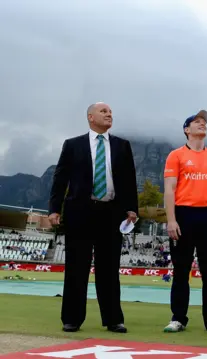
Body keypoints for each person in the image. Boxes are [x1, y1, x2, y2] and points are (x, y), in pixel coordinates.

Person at [48, 102, 138, 333]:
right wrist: (54, 209)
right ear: (90, 117)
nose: (109, 114)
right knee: (76, 267)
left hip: (111, 212)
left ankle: (113, 319)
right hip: (80, 211)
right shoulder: (73, 145)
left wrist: (131, 209)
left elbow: (129, 180)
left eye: (110, 112)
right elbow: (60, 179)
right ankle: (72, 318)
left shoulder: (121, 145)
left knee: (109, 268)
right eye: (104, 111)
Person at [162, 109, 207, 334]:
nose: (202, 124)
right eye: (197, 122)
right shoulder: (176, 155)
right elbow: (169, 189)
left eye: (204, 122)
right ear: (186, 129)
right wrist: (171, 220)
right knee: (181, 270)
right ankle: (178, 317)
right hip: (183, 215)